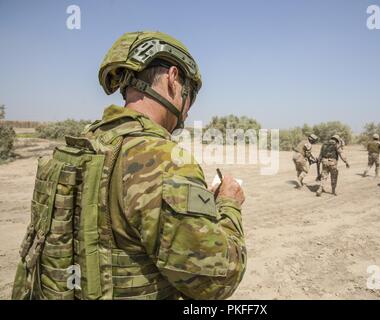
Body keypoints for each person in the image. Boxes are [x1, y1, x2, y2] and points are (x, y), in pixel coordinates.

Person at [12, 31, 246, 300]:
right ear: (173, 79)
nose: (189, 107)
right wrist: (229, 204)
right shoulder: (166, 161)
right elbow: (215, 282)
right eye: (190, 93)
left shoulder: (74, 149)